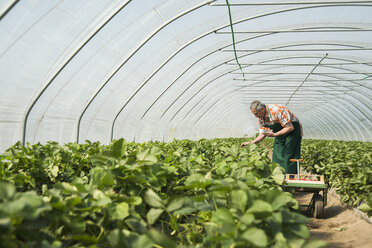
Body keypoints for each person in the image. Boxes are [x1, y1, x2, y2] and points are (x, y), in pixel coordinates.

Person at [241, 100, 303, 174]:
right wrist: (252, 142)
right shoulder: (261, 117)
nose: (255, 116)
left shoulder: (277, 110)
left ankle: (290, 177)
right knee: (277, 154)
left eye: (256, 113)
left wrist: (275, 135)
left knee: (288, 155)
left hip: (292, 132)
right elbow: (263, 133)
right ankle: (278, 176)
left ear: (262, 110)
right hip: (280, 133)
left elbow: (290, 127)